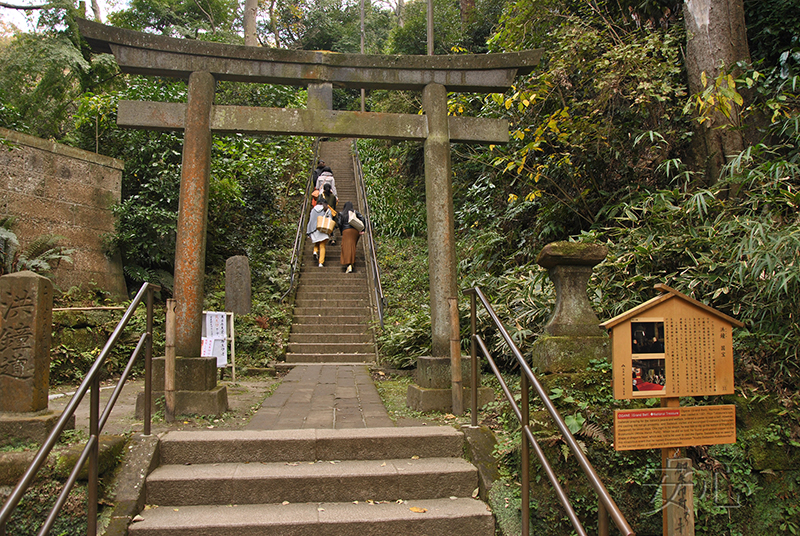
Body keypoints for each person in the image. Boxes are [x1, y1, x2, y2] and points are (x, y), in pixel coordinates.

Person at [336, 201, 366, 273]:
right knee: (352, 246)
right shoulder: (355, 212)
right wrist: (362, 229)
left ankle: (349, 264)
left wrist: (341, 231)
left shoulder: (341, 213)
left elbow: (339, 223)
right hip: (355, 231)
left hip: (346, 231)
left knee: (346, 247)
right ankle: (351, 263)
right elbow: (362, 218)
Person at [307, 200, 333, 267]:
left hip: (315, 229)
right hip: (323, 229)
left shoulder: (313, 210)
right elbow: (330, 220)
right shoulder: (327, 209)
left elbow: (311, 220)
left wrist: (309, 232)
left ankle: (315, 251)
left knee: (317, 241)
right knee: (322, 246)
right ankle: (321, 262)